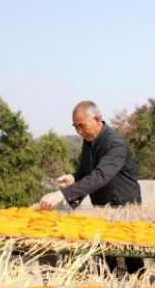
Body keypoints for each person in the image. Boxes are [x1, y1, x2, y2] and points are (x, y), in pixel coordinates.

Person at [39, 100, 144, 274]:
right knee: (105, 254)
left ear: (97, 120)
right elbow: (87, 171)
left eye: (82, 126)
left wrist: (63, 195)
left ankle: (140, 286)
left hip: (125, 207)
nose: (79, 131)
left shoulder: (115, 143)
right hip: (102, 207)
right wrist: (74, 177)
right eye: (75, 127)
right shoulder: (89, 141)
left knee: (130, 253)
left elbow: (100, 176)